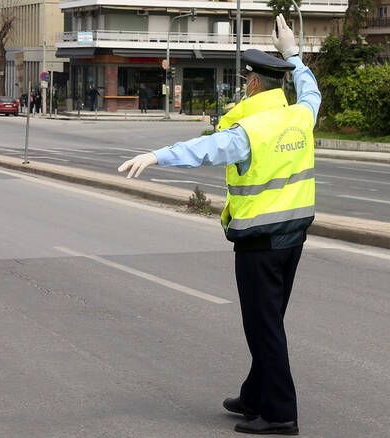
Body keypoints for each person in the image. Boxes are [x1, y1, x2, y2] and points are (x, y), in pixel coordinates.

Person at [118, 15, 319, 436]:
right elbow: (310, 89)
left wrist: (157, 155)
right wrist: (294, 54)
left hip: (260, 243)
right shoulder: (300, 115)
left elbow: (207, 149)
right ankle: (254, 395)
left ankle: (281, 414)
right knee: (270, 322)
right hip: (293, 238)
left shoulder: (251, 128)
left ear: (251, 85)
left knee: (264, 328)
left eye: (244, 79)